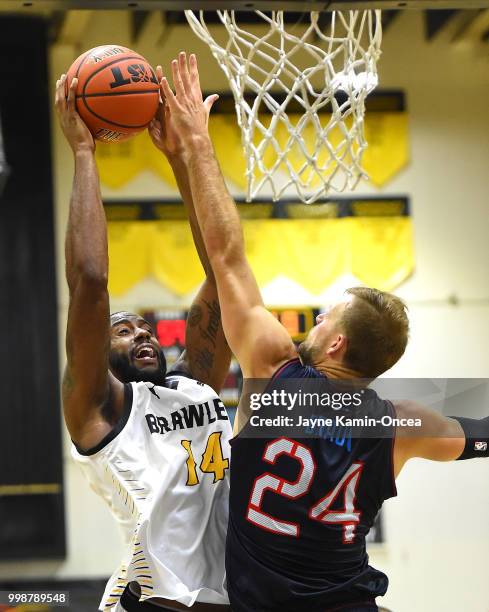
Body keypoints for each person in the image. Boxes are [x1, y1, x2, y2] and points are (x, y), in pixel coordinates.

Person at [157, 52, 489, 612]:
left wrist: (197, 145)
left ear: (336, 343)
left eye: (325, 316)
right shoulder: (401, 422)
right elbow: (478, 431)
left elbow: (226, 257)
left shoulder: (272, 371)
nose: (315, 322)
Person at [55, 68, 233, 612]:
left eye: (146, 328)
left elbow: (224, 268)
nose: (141, 334)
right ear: (97, 352)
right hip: (152, 601)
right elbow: (89, 281)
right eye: (122, 330)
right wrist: (85, 153)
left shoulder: (196, 385)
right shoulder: (100, 409)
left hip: (235, 598)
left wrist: (185, 158)